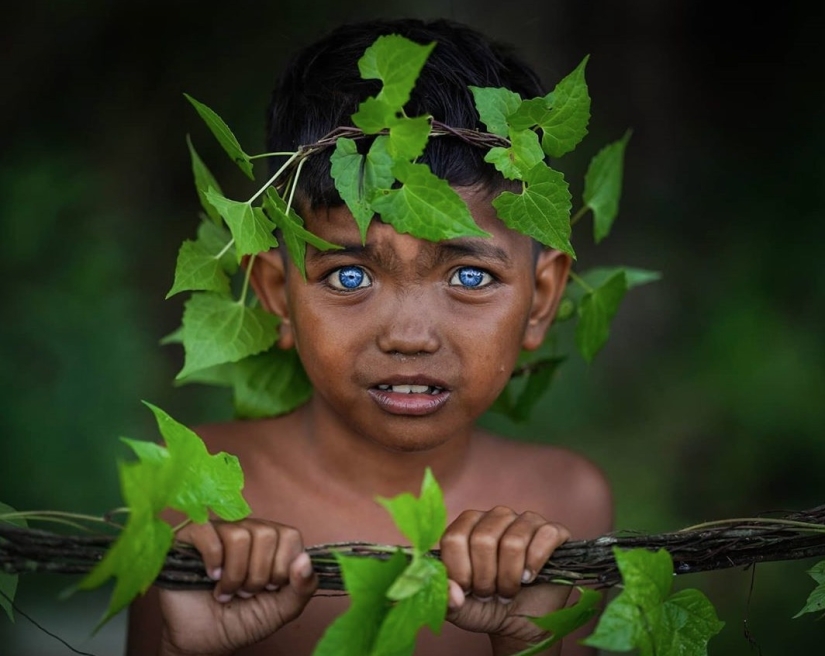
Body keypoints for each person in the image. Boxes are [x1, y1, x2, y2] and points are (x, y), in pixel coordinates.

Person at [126, 17, 614, 656]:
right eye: (349, 275)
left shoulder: (568, 503)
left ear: (541, 298)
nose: (410, 337)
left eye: (470, 275)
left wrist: (530, 643)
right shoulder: (190, 498)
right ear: (275, 294)